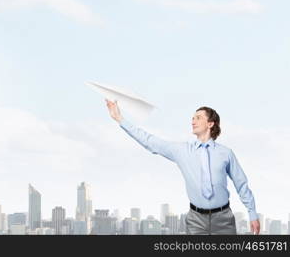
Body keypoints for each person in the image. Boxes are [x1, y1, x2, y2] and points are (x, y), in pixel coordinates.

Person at [105, 99, 260, 235]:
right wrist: (119, 118)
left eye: (198, 118)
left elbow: (241, 184)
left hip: (224, 220)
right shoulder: (182, 151)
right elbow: (150, 141)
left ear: (210, 124)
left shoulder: (226, 153)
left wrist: (252, 213)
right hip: (196, 221)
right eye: (192, 118)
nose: (193, 121)